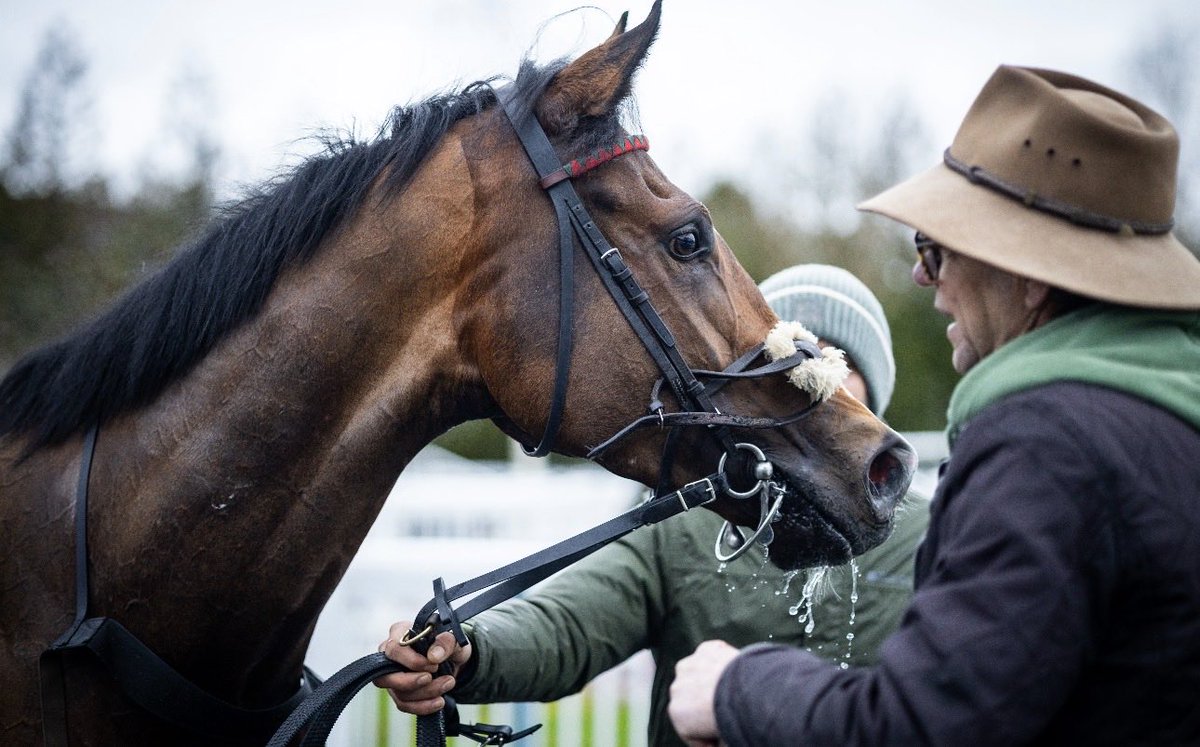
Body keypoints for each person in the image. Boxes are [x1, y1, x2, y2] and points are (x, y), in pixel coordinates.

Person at [668, 65, 1200, 746]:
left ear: (1030, 278)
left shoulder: (1046, 447)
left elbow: (917, 726)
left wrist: (736, 687)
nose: (922, 275)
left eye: (937, 249)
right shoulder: (1165, 427)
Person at [376, 264, 931, 746]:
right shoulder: (683, 518)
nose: (807, 384)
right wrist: (469, 653)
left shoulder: (933, 535)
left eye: (830, 363)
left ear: (868, 404)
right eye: (787, 359)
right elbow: (571, 623)